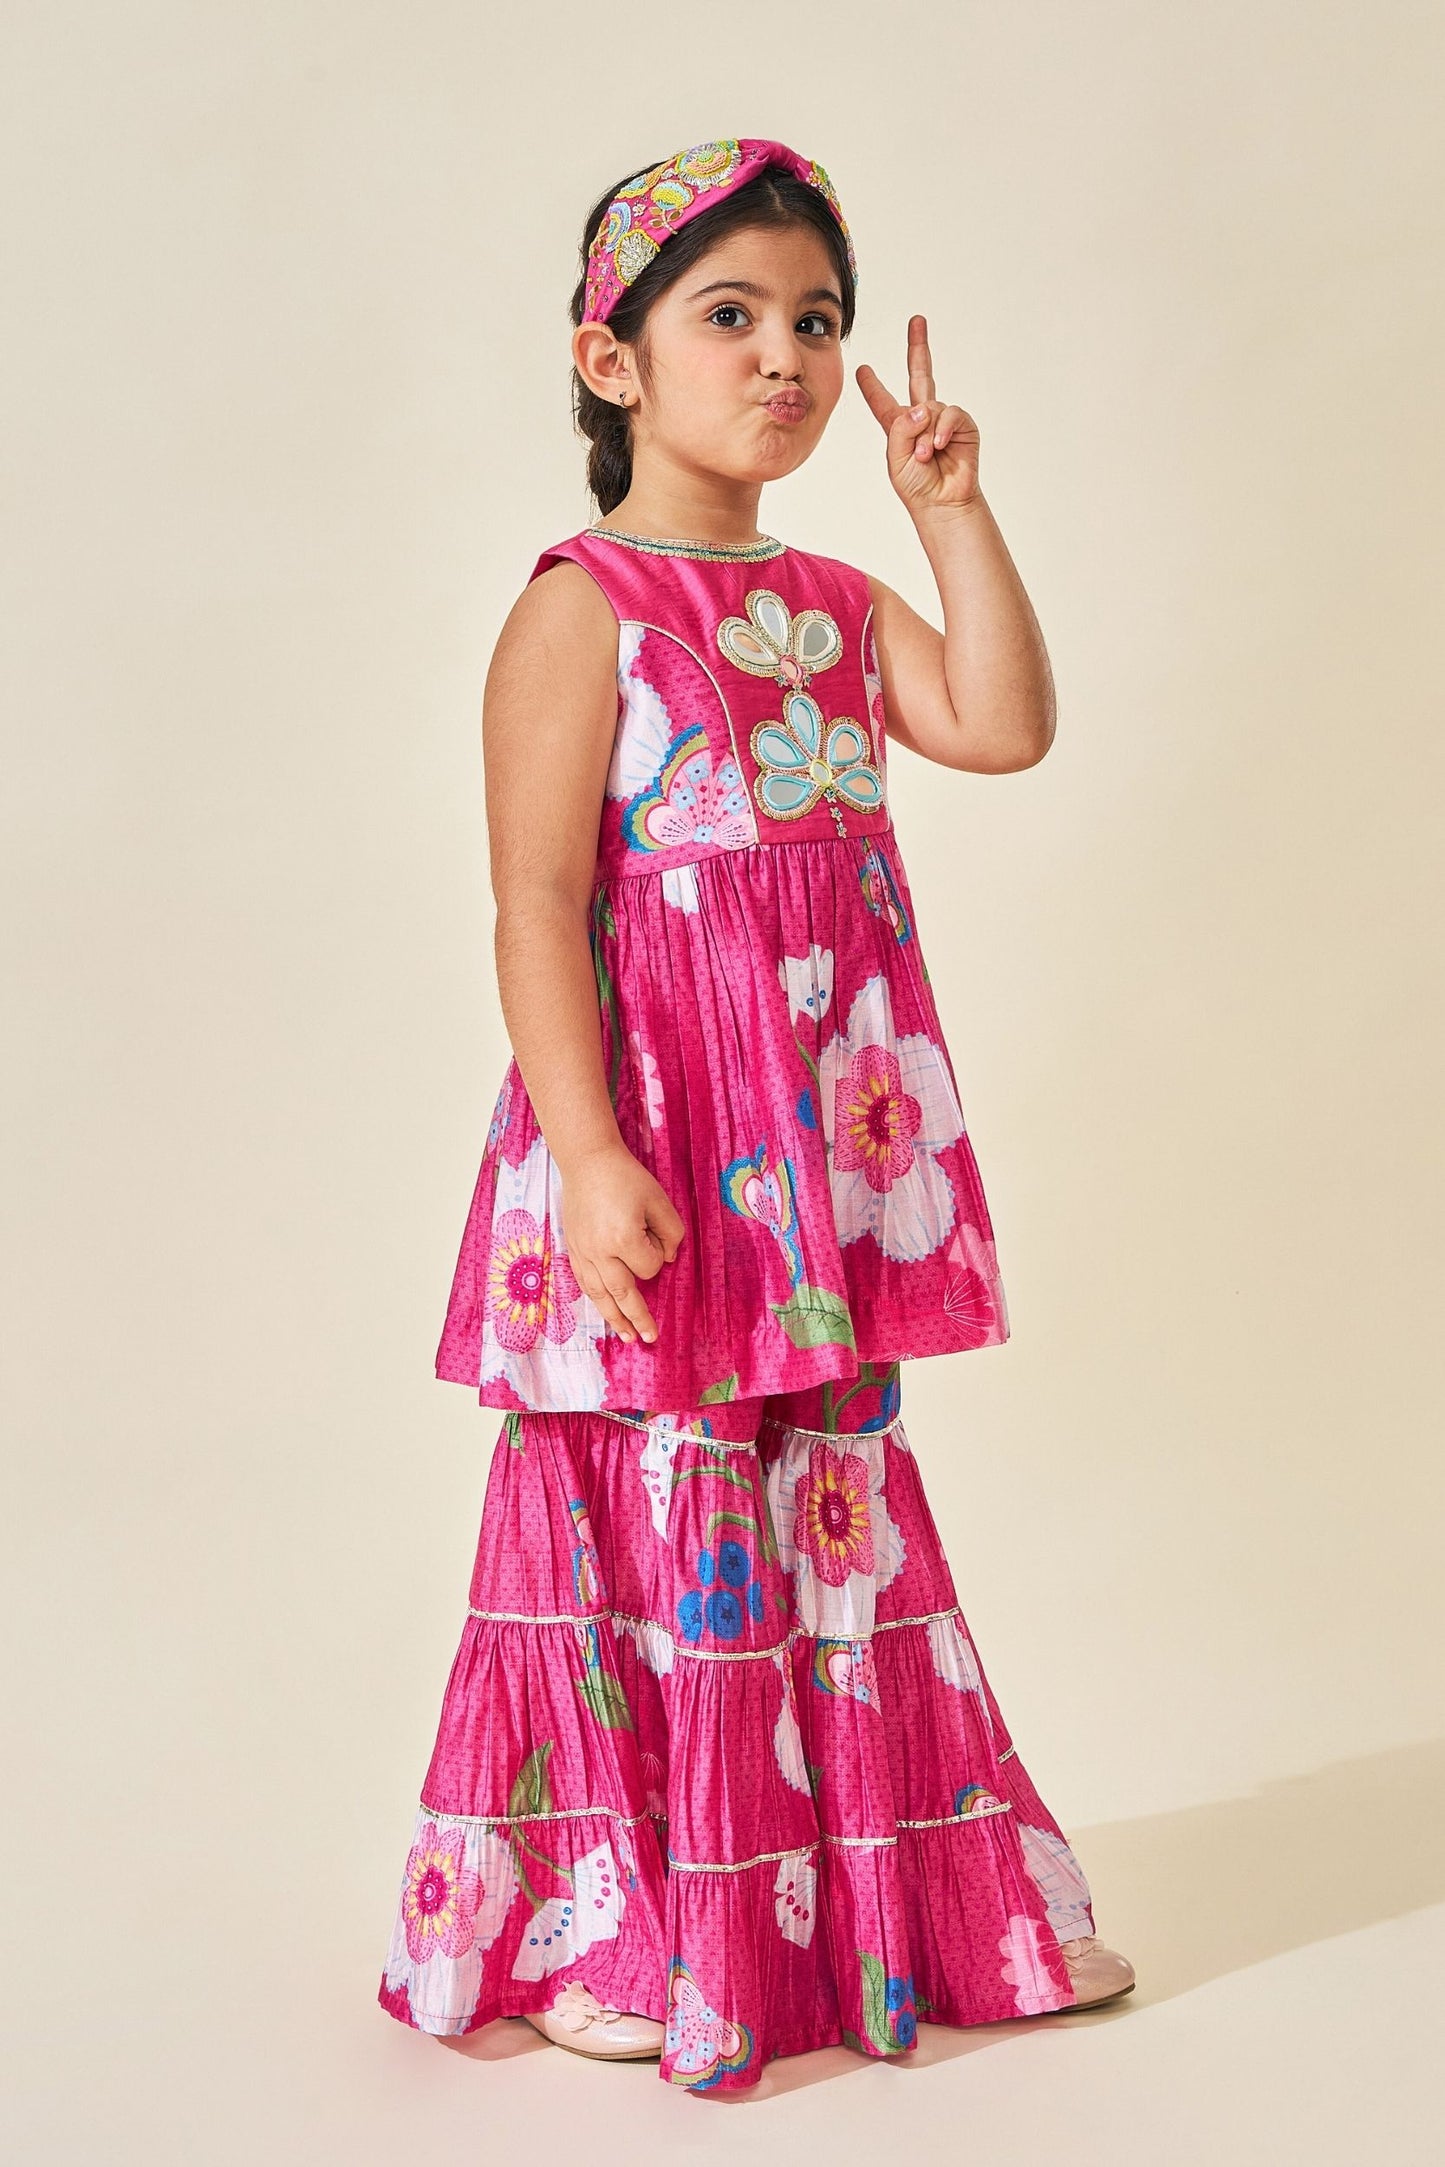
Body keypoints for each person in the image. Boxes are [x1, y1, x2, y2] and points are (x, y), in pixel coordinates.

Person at [377, 136, 1135, 2093]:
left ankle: (891, 1904)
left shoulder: (832, 598)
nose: (784, 355)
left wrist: (950, 513)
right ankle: (615, 1918)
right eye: (731, 315)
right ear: (611, 361)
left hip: (811, 1150)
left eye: (814, 317)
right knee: (654, 1498)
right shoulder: (583, 610)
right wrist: (589, 1150)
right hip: (651, 1140)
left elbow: (998, 722)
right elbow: (536, 900)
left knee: (827, 1494)